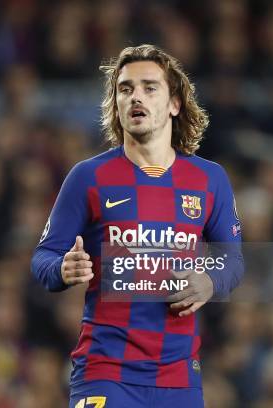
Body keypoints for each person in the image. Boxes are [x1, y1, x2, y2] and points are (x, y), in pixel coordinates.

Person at [31, 44, 244, 407]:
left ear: (174, 103)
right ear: (116, 104)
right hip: (105, 371)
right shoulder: (88, 177)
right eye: (125, 89)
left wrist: (208, 281)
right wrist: (62, 268)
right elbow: (43, 258)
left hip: (178, 379)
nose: (135, 98)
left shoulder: (209, 179)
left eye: (149, 87)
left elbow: (232, 261)